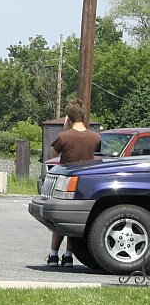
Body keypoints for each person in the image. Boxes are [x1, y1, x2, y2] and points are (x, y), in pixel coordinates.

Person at [46, 99, 101, 267]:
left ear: (68, 119)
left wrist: (64, 129)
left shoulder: (64, 136)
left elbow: (52, 153)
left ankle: (53, 255)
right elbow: (97, 152)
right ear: (83, 117)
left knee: (60, 222)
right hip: (85, 184)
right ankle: (69, 256)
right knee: (73, 222)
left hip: (65, 182)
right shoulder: (95, 137)